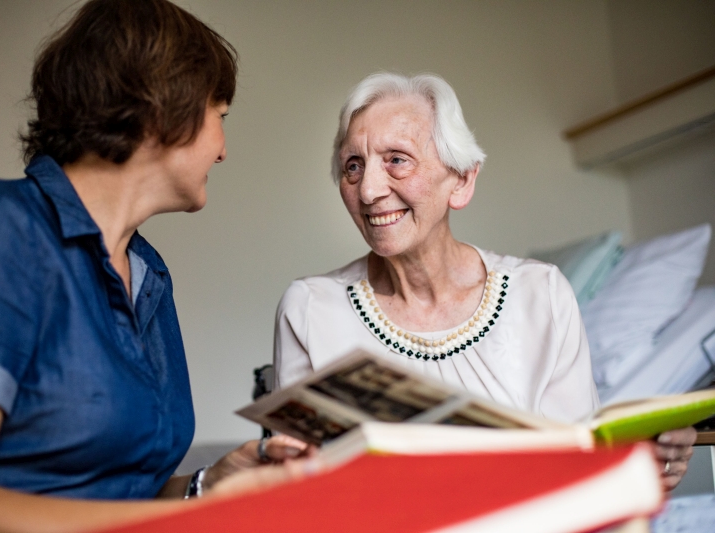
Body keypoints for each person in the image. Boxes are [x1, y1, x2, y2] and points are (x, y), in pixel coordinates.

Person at [0, 2, 315, 531]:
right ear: (162, 107)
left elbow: (123, 493)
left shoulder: (148, 274)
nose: (222, 151)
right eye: (220, 118)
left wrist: (207, 486)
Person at [273, 72, 695, 491]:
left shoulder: (540, 294)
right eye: (353, 166)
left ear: (461, 180)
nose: (368, 190)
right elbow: (295, 488)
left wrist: (644, 463)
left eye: (397, 160)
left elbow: (578, 472)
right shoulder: (311, 309)